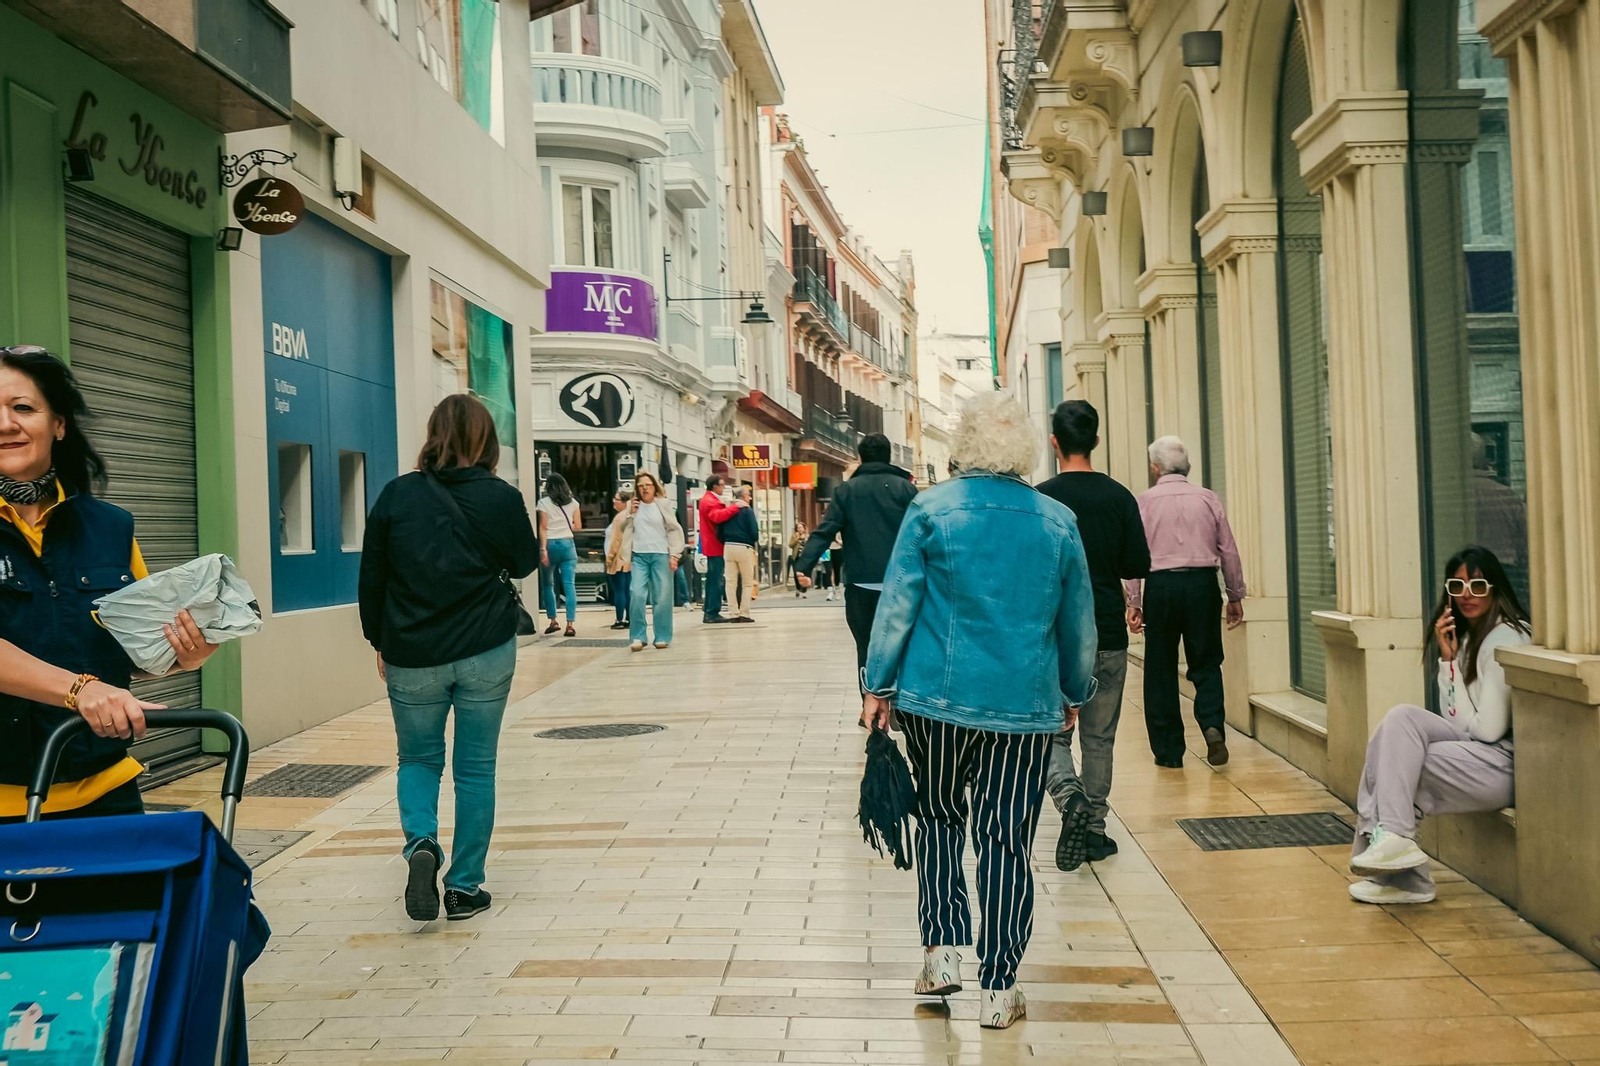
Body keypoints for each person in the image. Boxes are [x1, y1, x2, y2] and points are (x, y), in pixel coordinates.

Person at [862, 392, 1097, 1030]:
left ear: (964, 444)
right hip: (1023, 707)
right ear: (1023, 447)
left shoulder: (931, 510)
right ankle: (1000, 987)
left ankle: (942, 956)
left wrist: (877, 684)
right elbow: (1079, 622)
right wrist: (1074, 693)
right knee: (1006, 840)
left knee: (938, 817)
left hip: (937, 704)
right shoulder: (1056, 520)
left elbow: (900, 601)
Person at [0, 346, 217, 822]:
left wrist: (182, 656)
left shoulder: (109, 526)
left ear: (58, 423)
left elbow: (128, 655)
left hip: (107, 791)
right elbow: (86, 684)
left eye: (23, 407)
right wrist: (80, 690)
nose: (5, 424)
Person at [359, 395, 537, 922]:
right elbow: (525, 563)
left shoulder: (396, 495)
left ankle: (421, 846)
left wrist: (380, 643)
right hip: (485, 647)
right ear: (487, 440)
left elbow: (372, 579)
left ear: (434, 434)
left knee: (418, 760)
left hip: (412, 653)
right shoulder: (501, 497)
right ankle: (464, 887)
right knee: (476, 769)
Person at [1348, 546, 1531, 905]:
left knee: (1397, 762)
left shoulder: (1506, 638)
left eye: (1478, 586)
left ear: (1495, 590)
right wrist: (1449, 660)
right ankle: (1396, 849)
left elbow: (1487, 731)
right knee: (1396, 725)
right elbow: (1459, 721)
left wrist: (1450, 669)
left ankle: (1404, 875)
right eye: (1457, 585)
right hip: (1478, 756)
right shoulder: (1468, 637)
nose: (1466, 595)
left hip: (1505, 767)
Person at [1036, 401, 1151, 870]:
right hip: (1106, 630)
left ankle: (1070, 803)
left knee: (1051, 734)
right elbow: (1136, 565)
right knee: (1100, 737)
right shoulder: (1119, 496)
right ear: (1096, 441)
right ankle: (1097, 830)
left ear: (1054, 442)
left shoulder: (1041, 500)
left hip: (1055, 635)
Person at [1125, 436, 1245, 768]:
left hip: (1161, 588)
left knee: (1160, 668)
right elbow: (1229, 551)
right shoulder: (1208, 499)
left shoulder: (1144, 502)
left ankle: (1168, 751)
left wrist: (1134, 602)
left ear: (1154, 468)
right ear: (1187, 466)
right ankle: (1211, 725)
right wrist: (1234, 595)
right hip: (1202, 585)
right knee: (1206, 661)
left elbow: (1134, 555)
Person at [794, 433, 919, 683]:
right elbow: (922, 532)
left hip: (861, 582)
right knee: (904, 643)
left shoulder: (847, 491)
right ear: (888, 456)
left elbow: (825, 529)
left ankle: (869, 705)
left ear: (861, 458)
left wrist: (803, 566)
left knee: (866, 645)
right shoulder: (906, 489)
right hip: (901, 581)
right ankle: (899, 701)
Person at [615, 472, 685, 651]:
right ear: (637, 489)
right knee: (637, 594)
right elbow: (623, 529)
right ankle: (638, 636)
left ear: (654, 487)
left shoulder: (663, 505)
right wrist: (631, 514)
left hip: (661, 554)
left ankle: (662, 636)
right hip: (639, 556)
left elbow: (674, 529)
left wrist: (674, 555)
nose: (644, 488)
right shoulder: (632, 505)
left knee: (661, 597)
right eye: (641, 485)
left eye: (648, 484)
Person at [537, 473, 582, 636]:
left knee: (548, 584)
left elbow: (543, 527)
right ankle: (570, 624)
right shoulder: (574, 503)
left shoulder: (543, 503)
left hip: (550, 545)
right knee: (569, 585)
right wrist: (567, 524)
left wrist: (543, 550)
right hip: (567, 545)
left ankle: (553, 621)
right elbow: (578, 527)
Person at [696, 474, 744, 623]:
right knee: (716, 579)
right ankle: (712, 612)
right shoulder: (709, 501)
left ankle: (709, 610)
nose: (724, 487)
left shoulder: (709, 499)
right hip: (715, 544)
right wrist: (735, 508)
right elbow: (717, 517)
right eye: (722, 485)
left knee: (713, 579)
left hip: (713, 544)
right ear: (714, 486)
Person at [720, 486, 760, 622]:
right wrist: (753, 540)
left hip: (729, 547)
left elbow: (719, 528)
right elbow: (754, 530)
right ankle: (744, 613)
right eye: (748, 495)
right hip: (744, 547)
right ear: (743, 497)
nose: (750, 497)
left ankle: (733, 614)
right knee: (747, 582)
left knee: (730, 582)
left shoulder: (728, 509)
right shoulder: (747, 511)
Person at [603, 489, 632, 631]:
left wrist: (609, 558)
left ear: (625, 502)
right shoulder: (630, 516)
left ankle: (619, 619)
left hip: (618, 559)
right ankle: (628, 618)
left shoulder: (619, 518)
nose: (614, 501)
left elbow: (615, 540)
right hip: (627, 559)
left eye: (617, 499)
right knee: (626, 590)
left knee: (619, 590)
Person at [789, 520, 809, 597]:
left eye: (801, 527)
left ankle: (804, 590)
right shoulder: (794, 536)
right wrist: (797, 539)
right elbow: (790, 545)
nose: (800, 529)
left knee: (805, 574)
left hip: (805, 557)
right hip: (796, 557)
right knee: (796, 574)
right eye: (798, 528)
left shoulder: (807, 536)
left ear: (804, 528)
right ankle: (798, 588)